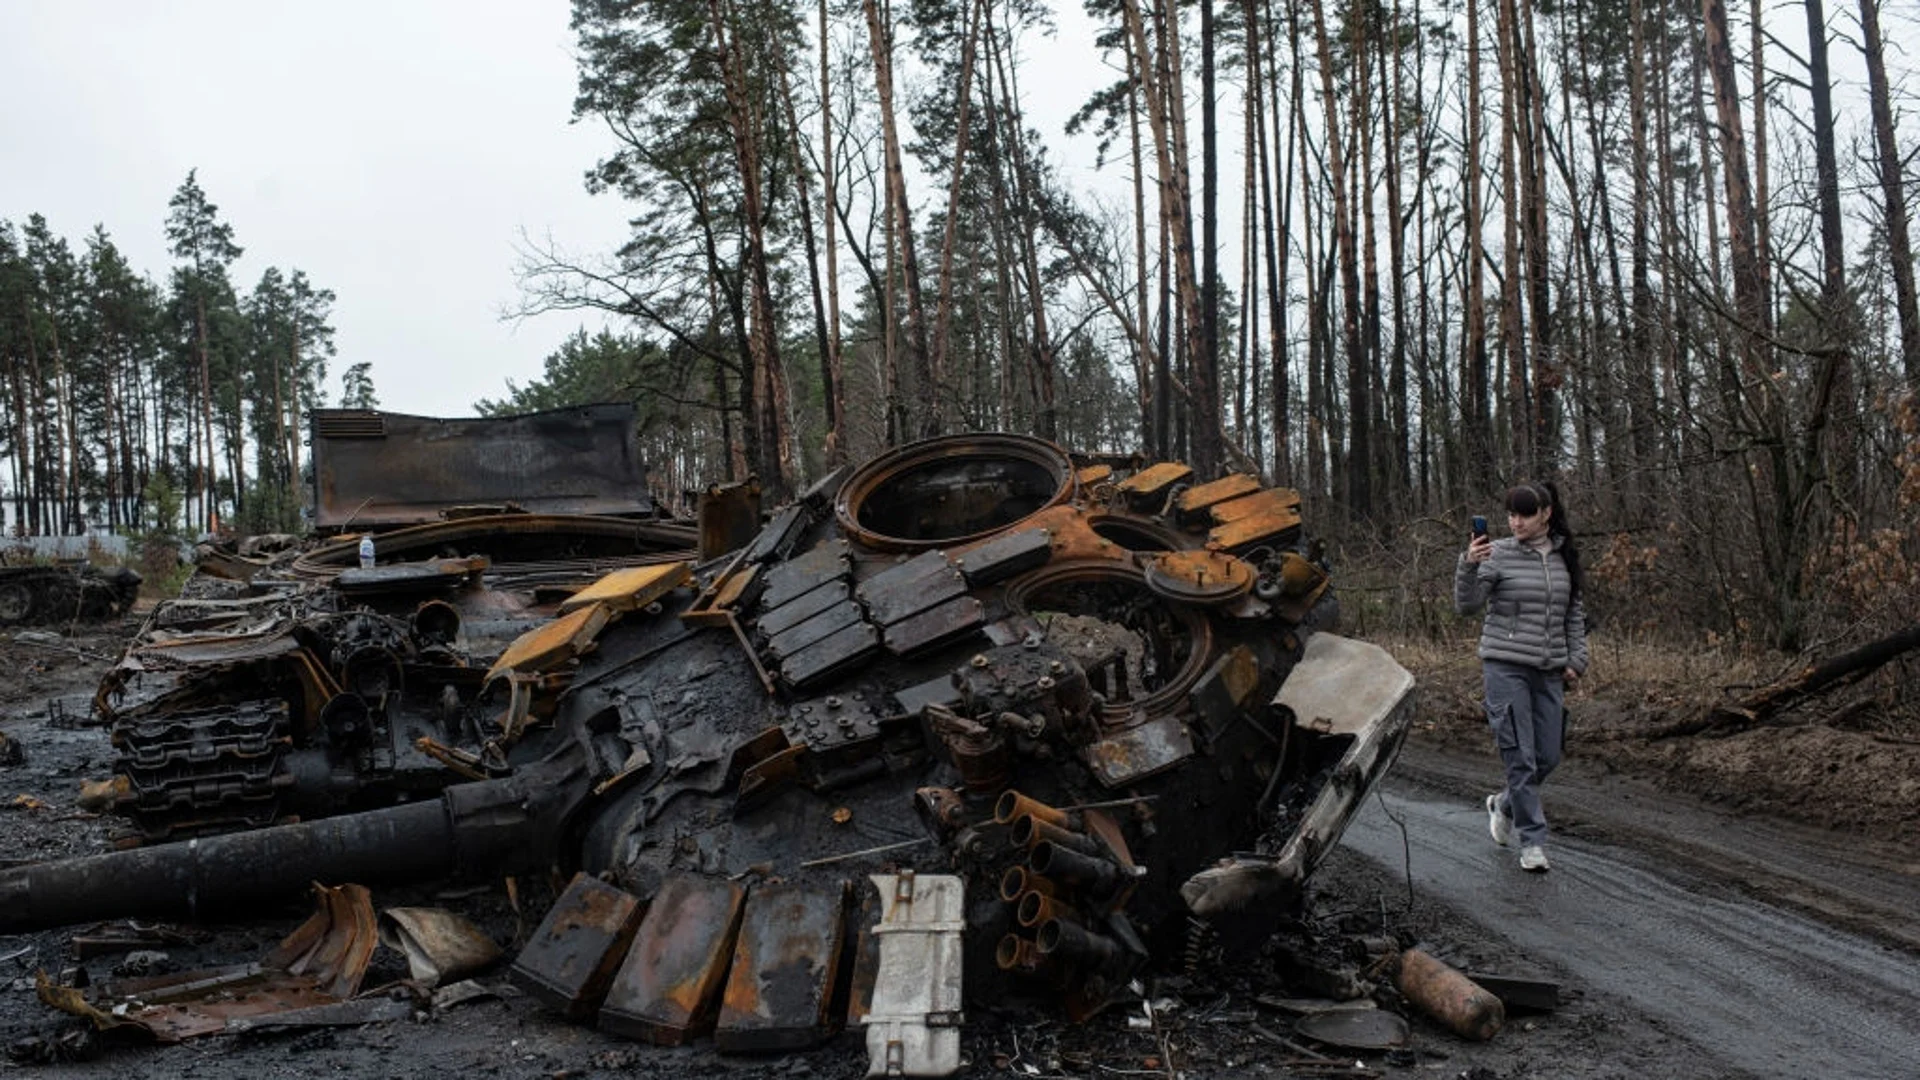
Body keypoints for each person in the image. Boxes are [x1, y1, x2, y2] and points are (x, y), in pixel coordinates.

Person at [1453, 480, 1588, 872]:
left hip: (1548, 671)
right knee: (1521, 759)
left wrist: (1577, 658)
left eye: (1524, 514)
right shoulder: (1498, 554)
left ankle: (1504, 803)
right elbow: (1467, 606)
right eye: (1511, 514)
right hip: (1505, 666)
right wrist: (1469, 564)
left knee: (1547, 755)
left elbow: (1573, 615)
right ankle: (1533, 843)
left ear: (1546, 514)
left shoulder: (1564, 557)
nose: (1515, 522)